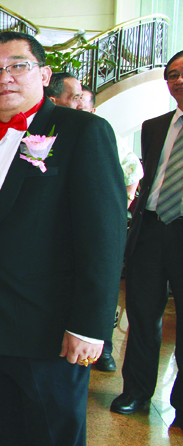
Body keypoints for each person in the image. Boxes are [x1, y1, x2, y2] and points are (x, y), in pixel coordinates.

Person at [0, 31, 125, 445]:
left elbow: (104, 237)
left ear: (44, 74)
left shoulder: (83, 131)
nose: (5, 77)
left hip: (49, 333)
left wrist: (89, 327)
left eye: (17, 66)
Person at [111, 50, 183, 423]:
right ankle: (136, 391)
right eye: (172, 74)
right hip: (151, 230)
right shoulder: (154, 126)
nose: (178, 80)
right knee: (142, 315)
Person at [52, 78, 143, 373]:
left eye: (82, 97)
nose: (81, 102)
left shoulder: (96, 130)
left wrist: (120, 205)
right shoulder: (41, 131)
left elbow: (132, 169)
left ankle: (103, 345)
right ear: (54, 100)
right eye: (74, 96)